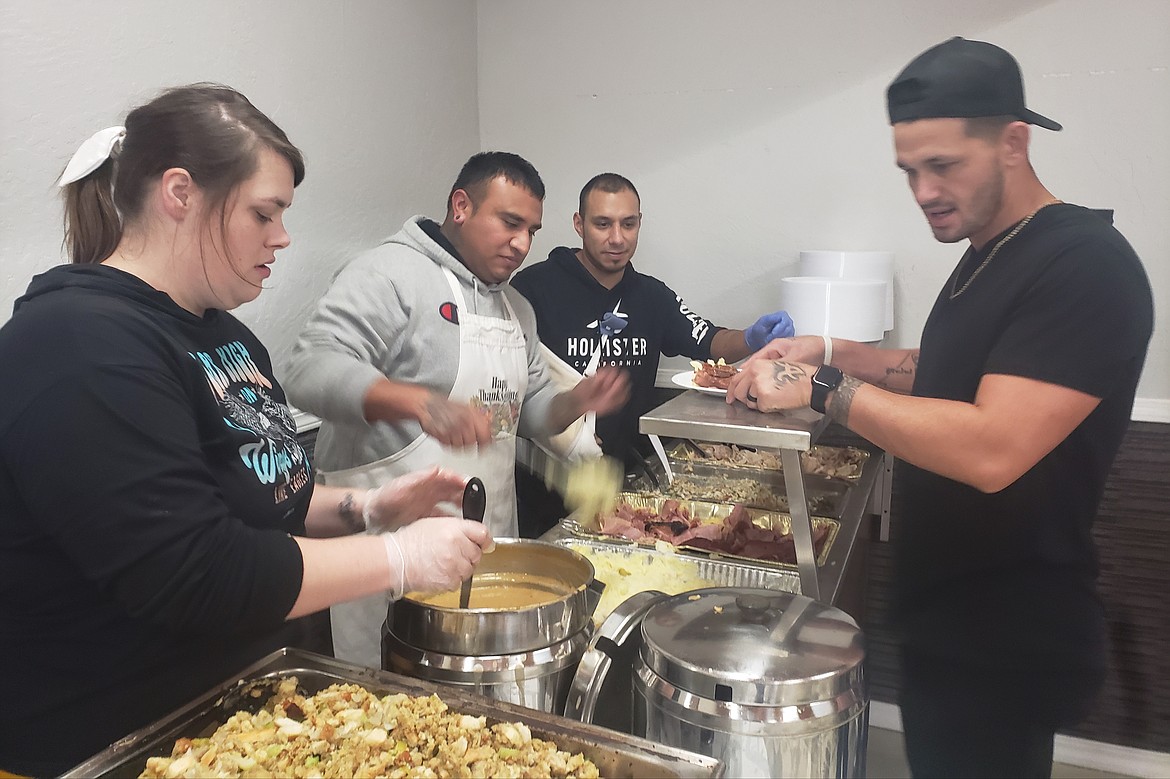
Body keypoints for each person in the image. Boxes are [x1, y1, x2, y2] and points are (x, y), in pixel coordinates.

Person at [0, 84, 494, 776]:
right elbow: (199, 569)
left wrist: (366, 506)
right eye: (265, 212)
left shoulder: (224, 335)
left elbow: (258, 489)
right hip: (109, 747)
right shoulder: (76, 346)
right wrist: (399, 557)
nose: (283, 236)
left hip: (235, 730)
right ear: (180, 193)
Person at [727, 38, 1153, 778]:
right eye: (910, 171)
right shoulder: (989, 250)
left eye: (944, 166)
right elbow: (945, 375)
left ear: (1013, 142)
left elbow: (991, 444)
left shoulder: (1086, 265)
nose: (923, 190)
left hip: (1007, 636)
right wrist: (833, 349)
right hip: (947, 618)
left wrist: (823, 389)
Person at [283, 152, 629, 668]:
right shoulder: (390, 274)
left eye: (531, 229)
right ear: (461, 206)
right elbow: (307, 369)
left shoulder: (516, 309)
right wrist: (417, 403)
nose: (522, 244)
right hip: (391, 554)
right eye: (510, 223)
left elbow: (529, 417)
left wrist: (576, 402)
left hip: (487, 547)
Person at [509, 172, 795, 529]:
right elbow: (510, 389)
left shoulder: (652, 296)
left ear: (639, 223)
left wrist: (753, 338)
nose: (617, 238)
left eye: (628, 224)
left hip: (626, 488)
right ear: (579, 224)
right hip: (543, 491)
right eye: (602, 224)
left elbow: (708, 341)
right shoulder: (531, 289)